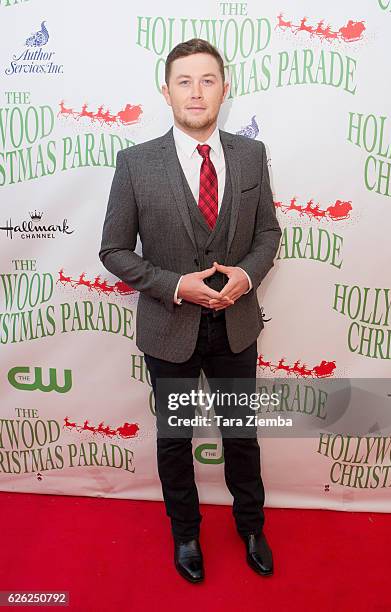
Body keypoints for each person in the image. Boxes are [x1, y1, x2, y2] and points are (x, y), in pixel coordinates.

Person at [99, 38, 282, 583]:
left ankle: (251, 526)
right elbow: (113, 250)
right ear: (166, 91)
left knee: (241, 436)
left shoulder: (251, 155)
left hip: (236, 326)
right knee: (175, 440)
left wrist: (244, 278)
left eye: (208, 80)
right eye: (184, 81)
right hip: (169, 329)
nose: (196, 92)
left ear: (225, 89)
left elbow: (269, 232)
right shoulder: (134, 164)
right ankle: (186, 535)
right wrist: (177, 285)